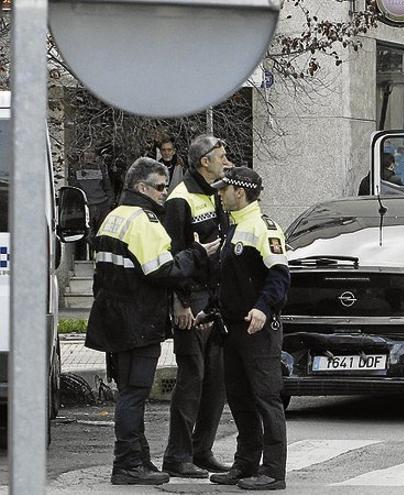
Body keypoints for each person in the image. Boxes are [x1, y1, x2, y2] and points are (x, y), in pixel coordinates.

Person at [85, 158, 220, 485]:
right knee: (134, 393)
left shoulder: (114, 217)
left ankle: (138, 458)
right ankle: (129, 464)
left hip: (115, 320)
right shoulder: (144, 221)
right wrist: (198, 254)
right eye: (159, 187)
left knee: (130, 391)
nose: (164, 193)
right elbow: (163, 271)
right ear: (141, 187)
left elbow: (102, 278)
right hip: (138, 321)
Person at [207, 167, 290, 491]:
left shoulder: (262, 227)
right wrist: (211, 309)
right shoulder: (235, 227)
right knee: (240, 398)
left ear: (239, 192)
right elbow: (231, 281)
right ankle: (245, 464)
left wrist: (262, 307)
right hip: (234, 328)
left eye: (224, 190)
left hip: (258, 329)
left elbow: (279, 275)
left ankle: (272, 471)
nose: (220, 194)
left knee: (266, 399)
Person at [161, 134, 233, 478]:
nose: (227, 160)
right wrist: (181, 301)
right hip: (192, 298)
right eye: (221, 156)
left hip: (215, 296)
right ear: (204, 160)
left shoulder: (216, 192)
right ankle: (177, 455)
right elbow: (173, 255)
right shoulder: (180, 199)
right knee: (192, 378)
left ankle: (202, 449)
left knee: (216, 381)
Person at [70, 149, 114, 248]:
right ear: (83, 156)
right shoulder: (76, 169)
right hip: (86, 207)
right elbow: (74, 188)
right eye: (87, 152)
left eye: (92, 152)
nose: (89, 155)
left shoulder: (101, 168)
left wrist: (109, 203)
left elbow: (107, 186)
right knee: (88, 235)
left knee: (105, 234)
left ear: (95, 156)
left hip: (102, 205)